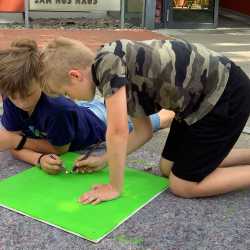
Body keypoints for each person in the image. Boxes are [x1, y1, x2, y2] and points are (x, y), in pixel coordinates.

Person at [40, 37, 250, 205]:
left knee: (182, 185)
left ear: (75, 76)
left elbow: (117, 132)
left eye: (66, 93)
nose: (71, 99)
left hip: (224, 96)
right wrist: (103, 159)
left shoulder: (108, 66)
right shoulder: (114, 67)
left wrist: (114, 187)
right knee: (168, 167)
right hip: (195, 104)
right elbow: (144, 131)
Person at [0, 39, 174, 175]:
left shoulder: (59, 110)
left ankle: (171, 113)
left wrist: (18, 141)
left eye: (28, 95)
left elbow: (58, 149)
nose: (20, 103)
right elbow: (12, 145)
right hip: (81, 107)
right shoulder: (12, 95)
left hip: (96, 121)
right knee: (87, 101)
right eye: (13, 97)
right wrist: (38, 158)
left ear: (40, 82)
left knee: (144, 121)